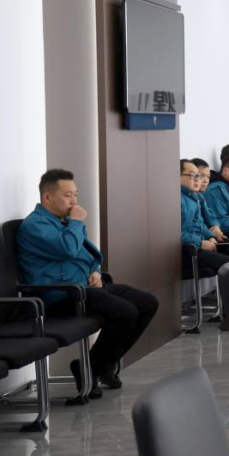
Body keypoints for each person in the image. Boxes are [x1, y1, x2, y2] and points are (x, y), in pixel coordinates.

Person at [17, 169, 158, 397]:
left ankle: (96, 365)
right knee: (125, 312)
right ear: (47, 197)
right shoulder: (35, 225)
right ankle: (93, 367)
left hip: (84, 289)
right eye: (68, 195)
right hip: (59, 297)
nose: (74, 201)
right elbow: (67, 249)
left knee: (147, 302)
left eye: (75, 194)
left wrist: (95, 271)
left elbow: (89, 255)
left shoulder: (64, 222)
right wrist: (76, 222)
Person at [180, 159, 229, 274]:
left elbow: (198, 225)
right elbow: (172, 235)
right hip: (186, 251)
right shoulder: (176, 199)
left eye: (198, 175)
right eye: (192, 175)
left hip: (196, 243)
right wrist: (201, 243)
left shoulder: (193, 197)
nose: (198, 179)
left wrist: (210, 235)